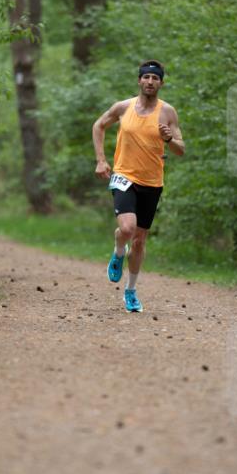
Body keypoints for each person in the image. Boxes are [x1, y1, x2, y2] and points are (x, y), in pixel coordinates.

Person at [92, 59, 185, 312]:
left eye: (155, 79)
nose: (150, 82)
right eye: (146, 77)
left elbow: (180, 149)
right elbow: (99, 125)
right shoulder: (123, 107)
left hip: (152, 182)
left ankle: (130, 292)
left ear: (161, 83)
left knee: (140, 240)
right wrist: (101, 160)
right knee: (128, 227)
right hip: (124, 176)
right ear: (139, 80)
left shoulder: (168, 112)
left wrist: (169, 140)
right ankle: (118, 251)